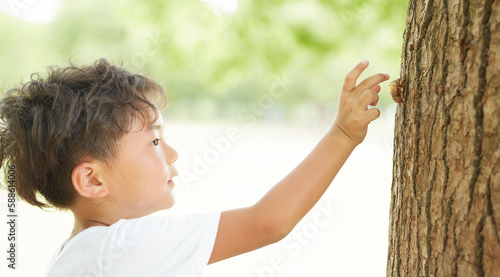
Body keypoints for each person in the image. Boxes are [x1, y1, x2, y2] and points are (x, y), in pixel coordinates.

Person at [0, 58, 389, 276]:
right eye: (153, 141)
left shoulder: (78, 255)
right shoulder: (120, 251)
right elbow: (268, 222)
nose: (172, 154)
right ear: (92, 179)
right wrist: (342, 134)